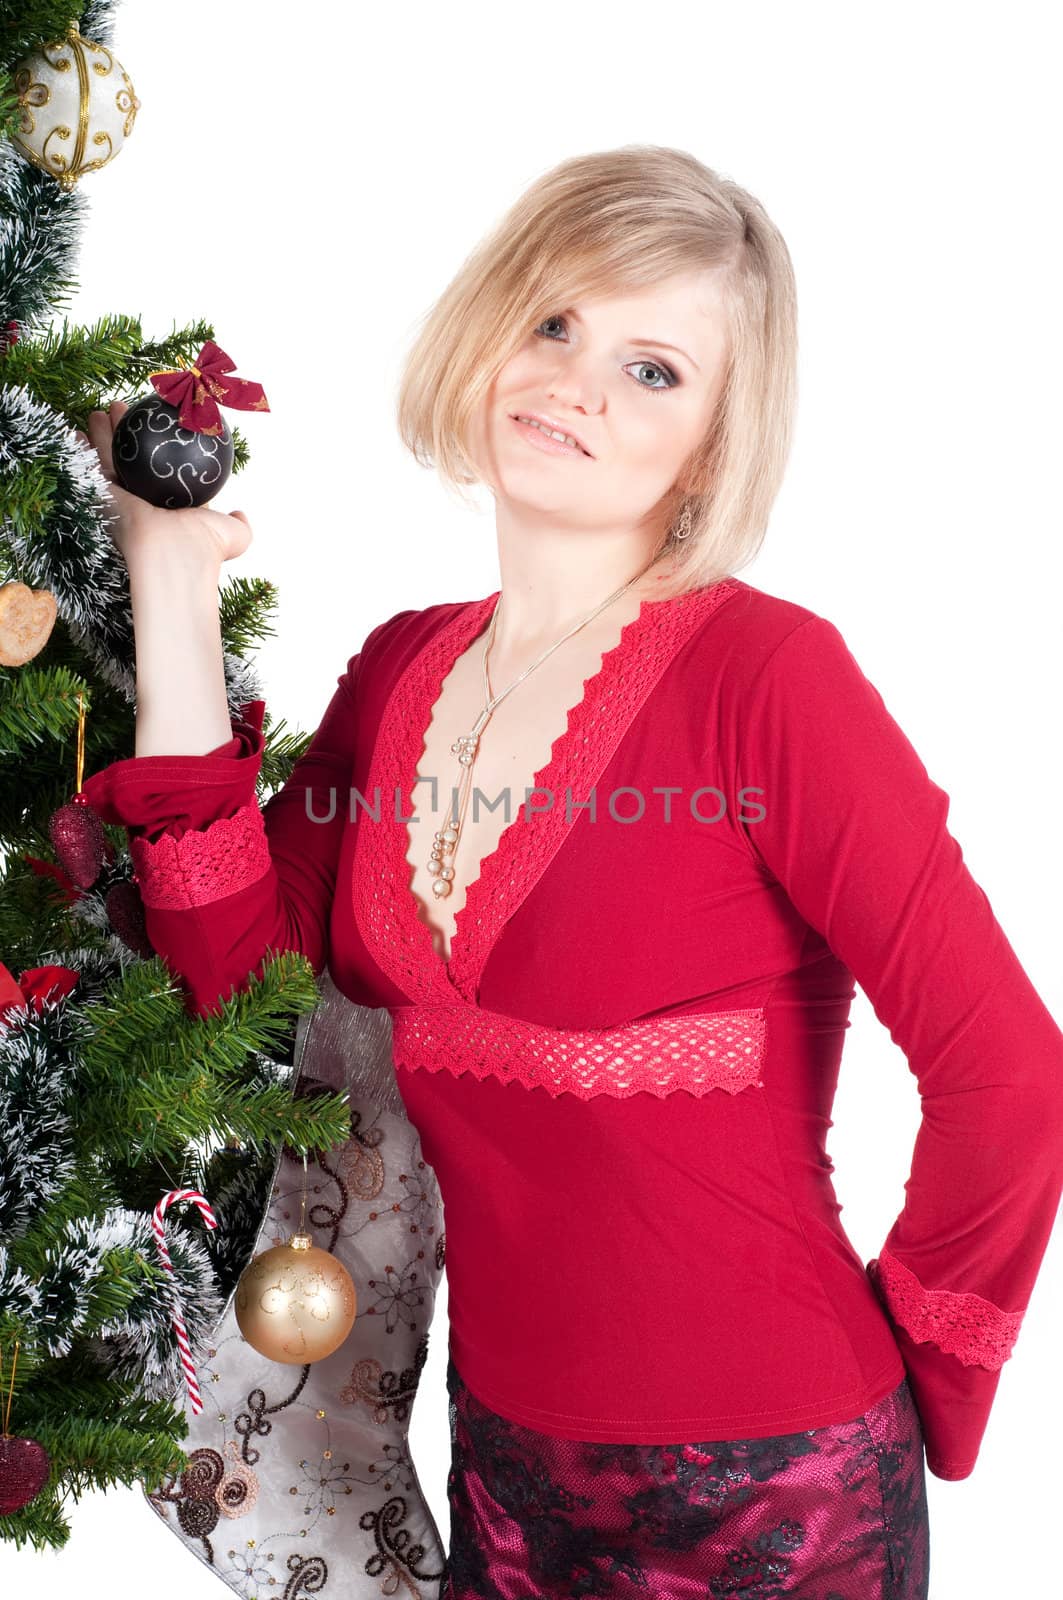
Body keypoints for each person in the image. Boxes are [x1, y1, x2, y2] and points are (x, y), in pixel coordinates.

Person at [79, 146, 1063, 1600]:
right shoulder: (401, 668)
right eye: (553, 325)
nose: (578, 384)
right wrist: (172, 581)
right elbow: (235, 980)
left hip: (777, 1481)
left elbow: (1011, 1075)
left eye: (653, 367)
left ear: (718, 435)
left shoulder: (768, 679)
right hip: (509, 1471)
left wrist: (926, 1383)